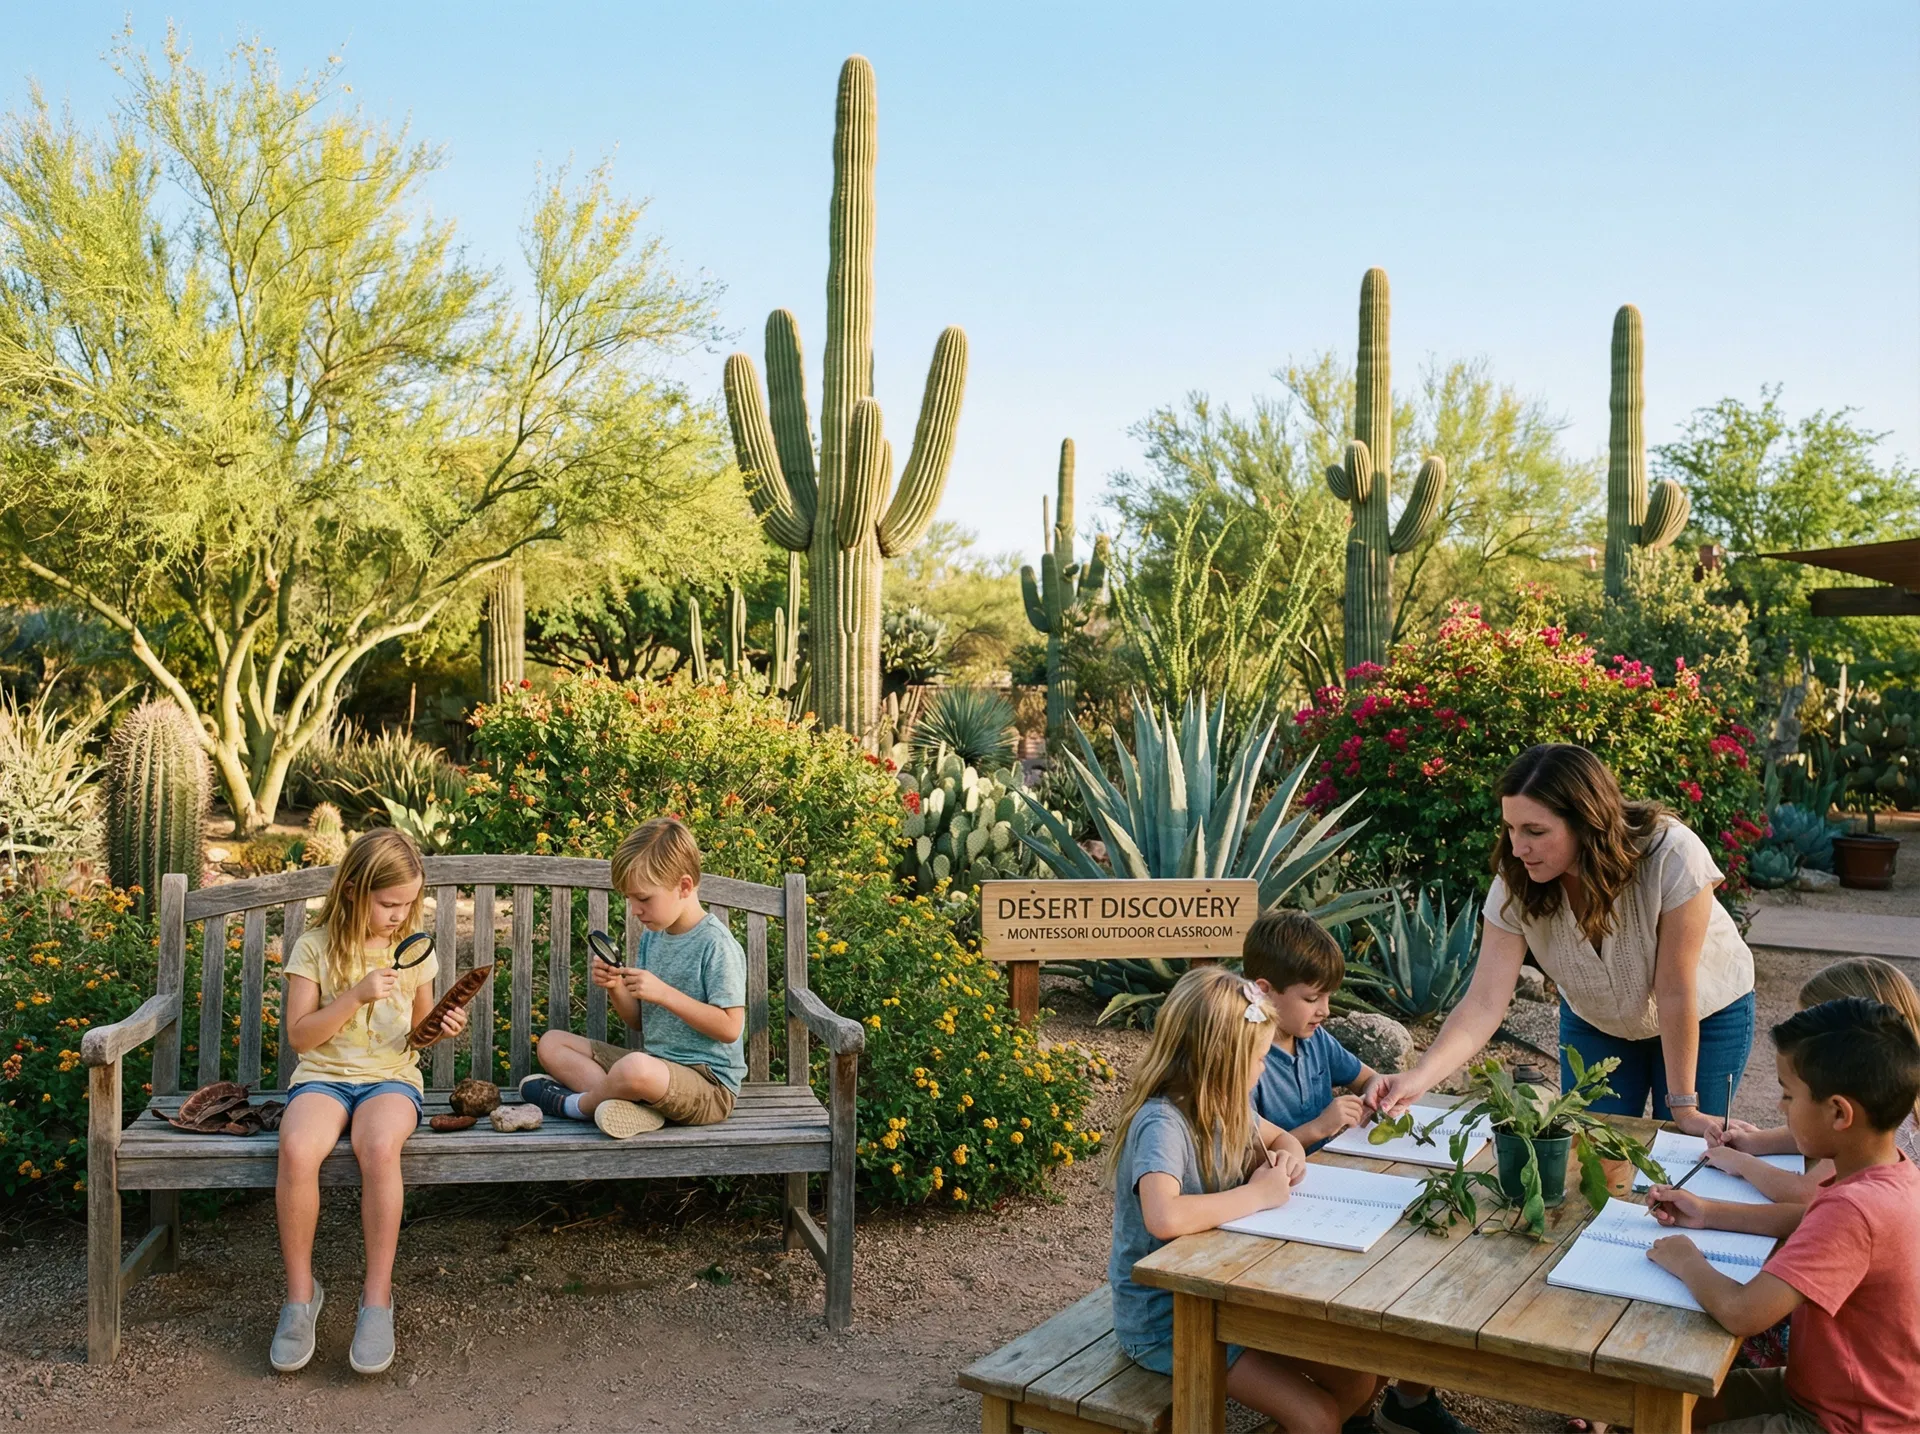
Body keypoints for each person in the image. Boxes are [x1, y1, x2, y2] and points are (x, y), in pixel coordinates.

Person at [1371, 744, 1756, 1135]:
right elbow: (1485, 1002)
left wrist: (1684, 1108)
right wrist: (1419, 1077)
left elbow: (1674, 988)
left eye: (1535, 831)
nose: (1518, 848)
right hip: (1597, 1020)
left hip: (1704, 1015)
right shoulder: (1516, 879)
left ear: (1586, 822)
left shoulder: (1671, 851)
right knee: (1591, 1148)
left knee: (1685, 1149)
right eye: (1511, 828)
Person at [1109, 964, 1380, 1434]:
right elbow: (1163, 1215)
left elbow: (1284, 1141)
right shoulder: (1163, 1124)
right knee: (1316, 1417)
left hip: (1226, 1294)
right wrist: (1255, 1194)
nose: (1263, 1068)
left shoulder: (1229, 1104)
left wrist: (1287, 1161)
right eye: (1257, 1058)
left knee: (1361, 1376)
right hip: (1166, 1318)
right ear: (1222, 1059)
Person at [1240, 912, 1478, 1434]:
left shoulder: (1314, 1039)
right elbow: (1243, 1160)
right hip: (1281, 1216)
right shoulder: (1244, 1052)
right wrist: (1317, 1126)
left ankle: (1381, 1407)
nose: (1324, 1011)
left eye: (1328, 998)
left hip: (1331, 1196)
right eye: (1312, 999)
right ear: (1263, 992)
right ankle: (1359, 1409)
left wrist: (1379, 1091)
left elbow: (1369, 1076)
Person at [1644, 997, 1920, 1434]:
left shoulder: (1853, 1210)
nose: (1779, 1109)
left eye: (1789, 1095)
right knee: (1661, 1410)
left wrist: (1686, 1259)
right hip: (1829, 1392)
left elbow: (1742, 1312)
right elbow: (1808, 1225)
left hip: (1847, 1421)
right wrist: (1708, 1213)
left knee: (1664, 1419)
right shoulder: (1894, 1176)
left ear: (1838, 1112)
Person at [272, 828, 466, 1376]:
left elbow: (418, 1033)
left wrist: (443, 1026)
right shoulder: (315, 946)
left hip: (390, 1079)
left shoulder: (414, 950)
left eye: (409, 904)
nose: (399, 916)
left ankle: (376, 1299)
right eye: (389, 904)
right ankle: (300, 1296)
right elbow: (301, 1037)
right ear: (355, 889)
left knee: (379, 1147)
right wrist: (355, 994)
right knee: (297, 1147)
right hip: (324, 1077)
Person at [519, 817, 745, 1138]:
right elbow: (638, 1021)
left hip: (708, 1085)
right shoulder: (654, 937)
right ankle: (635, 1107)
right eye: (630, 899)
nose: (635, 909)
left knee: (635, 1068)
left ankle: (577, 1106)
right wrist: (615, 987)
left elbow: (729, 1028)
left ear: (683, 886)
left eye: (643, 898)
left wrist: (665, 993)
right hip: (656, 1069)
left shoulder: (716, 944)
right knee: (552, 1043)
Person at [1703, 957, 1920, 1201]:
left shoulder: (1882, 1111)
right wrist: (1754, 1141)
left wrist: (1740, 1163)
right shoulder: (1883, 1086)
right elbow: (1822, 1126)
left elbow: (1806, 1193)